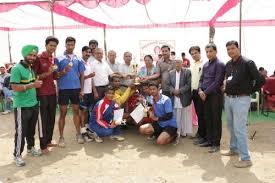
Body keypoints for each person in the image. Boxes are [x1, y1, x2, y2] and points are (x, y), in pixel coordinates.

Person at [221, 40, 265, 168]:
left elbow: (260, 80)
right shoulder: (228, 64)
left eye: (233, 48)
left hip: (241, 99)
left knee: (239, 128)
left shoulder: (247, 63)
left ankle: (246, 158)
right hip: (228, 99)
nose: (230, 51)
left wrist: (249, 91)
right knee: (230, 126)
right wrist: (225, 87)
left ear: (238, 48)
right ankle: (234, 149)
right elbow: (228, 79)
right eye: (228, 49)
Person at [10, 45, 43, 167]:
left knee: (31, 130)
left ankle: (31, 148)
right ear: (24, 55)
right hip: (21, 106)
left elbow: (32, 83)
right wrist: (33, 85)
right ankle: (17, 155)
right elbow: (15, 87)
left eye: (34, 55)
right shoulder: (16, 69)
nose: (32, 57)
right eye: (30, 55)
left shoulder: (31, 68)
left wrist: (35, 84)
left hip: (33, 104)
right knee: (21, 132)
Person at [55, 37, 85, 147]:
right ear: (65, 45)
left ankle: (78, 134)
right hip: (63, 89)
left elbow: (82, 75)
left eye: (72, 44)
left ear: (74, 45)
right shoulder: (58, 58)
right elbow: (56, 75)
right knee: (62, 113)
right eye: (68, 44)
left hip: (75, 89)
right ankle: (61, 137)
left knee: (76, 111)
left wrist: (81, 89)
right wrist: (63, 71)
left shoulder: (79, 59)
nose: (70, 46)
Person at [33, 36, 59, 154]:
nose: (53, 48)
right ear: (46, 45)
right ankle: (43, 145)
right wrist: (48, 72)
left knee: (51, 118)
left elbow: (54, 76)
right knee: (43, 120)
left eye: (54, 46)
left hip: (52, 93)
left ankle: (48, 140)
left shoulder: (52, 58)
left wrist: (63, 72)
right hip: (42, 94)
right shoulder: (38, 58)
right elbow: (34, 77)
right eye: (51, 45)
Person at [198, 43, 225, 153]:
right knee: (207, 118)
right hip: (204, 95)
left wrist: (205, 92)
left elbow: (217, 81)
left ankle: (216, 143)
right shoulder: (205, 65)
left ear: (216, 51)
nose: (209, 54)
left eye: (211, 51)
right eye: (207, 52)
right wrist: (200, 90)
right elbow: (201, 79)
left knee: (215, 119)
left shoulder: (220, 64)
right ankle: (209, 140)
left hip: (215, 96)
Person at [168, 59, 192, 144]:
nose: (177, 64)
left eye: (178, 62)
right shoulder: (171, 73)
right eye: (175, 63)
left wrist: (180, 91)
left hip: (184, 96)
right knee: (176, 115)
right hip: (175, 96)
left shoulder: (187, 72)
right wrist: (174, 91)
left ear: (182, 63)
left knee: (184, 115)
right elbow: (169, 84)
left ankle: (183, 132)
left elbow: (188, 84)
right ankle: (177, 133)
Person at [79, 46, 98, 143]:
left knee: (87, 112)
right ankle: (82, 132)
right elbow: (80, 78)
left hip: (89, 92)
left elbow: (92, 79)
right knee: (83, 112)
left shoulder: (89, 64)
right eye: (86, 52)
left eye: (89, 52)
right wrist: (81, 90)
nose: (88, 54)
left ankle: (86, 130)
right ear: (82, 52)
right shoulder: (79, 62)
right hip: (83, 92)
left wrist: (94, 91)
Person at [189, 46, 205, 145]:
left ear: (199, 52)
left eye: (195, 53)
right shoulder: (192, 65)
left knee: (202, 114)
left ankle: (203, 135)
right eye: (192, 54)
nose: (194, 55)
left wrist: (201, 91)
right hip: (193, 92)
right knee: (199, 114)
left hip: (201, 92)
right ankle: (200, 133)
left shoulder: (204, 64)